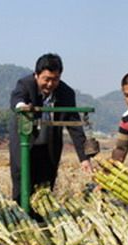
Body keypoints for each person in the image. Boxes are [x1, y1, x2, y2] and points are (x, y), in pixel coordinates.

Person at [8, 53, 92, 203]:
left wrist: (84, 158)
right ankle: (21, 215)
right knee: (22, 182)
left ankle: (42, 218)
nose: (50, 84)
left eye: (55, 79)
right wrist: (23, 107)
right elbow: (17, 98)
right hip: (25, 144)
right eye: (46, 79)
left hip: (49, 146)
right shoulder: (25, 84)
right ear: (36, 75)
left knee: (45, 186)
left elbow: (74, 126)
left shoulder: (66, 93)